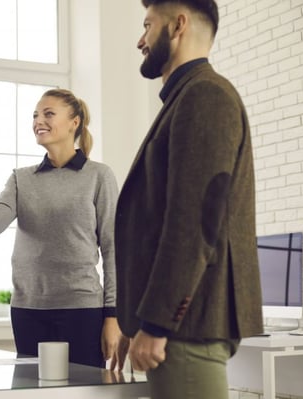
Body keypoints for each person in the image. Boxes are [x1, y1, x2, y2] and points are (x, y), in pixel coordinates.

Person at [114, 1, 263, 398]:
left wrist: (157, 324)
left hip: (185, 329)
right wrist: (139, 322)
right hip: (179, 330)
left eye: (148, 25)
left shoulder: (205, 96)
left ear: (177, 26)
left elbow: (194, 222)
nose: (140, 40)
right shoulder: (188, 96)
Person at [0, 88, 123, 368]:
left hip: (82, 310)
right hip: (28, 309)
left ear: (75, 122)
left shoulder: (99, 176)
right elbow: (0, 210)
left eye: (49, 114)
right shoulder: (22, 178)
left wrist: (113, 315)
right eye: (36, 115)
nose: (39, 120)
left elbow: (113, 248)